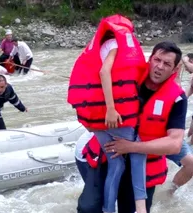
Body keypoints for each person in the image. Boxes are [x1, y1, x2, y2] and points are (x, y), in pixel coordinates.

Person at [76, 41, 187, 213]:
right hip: (108, 153)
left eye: (167, 64)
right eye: (157, 60)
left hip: (144, 164)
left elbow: (175, 144)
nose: (159, 67)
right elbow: (96, 80)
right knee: (88, 207)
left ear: (174, 70)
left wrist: (131, 147)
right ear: (149, 60)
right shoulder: (127, 76)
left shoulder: (177, 98)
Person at [68, 14, 148, 213]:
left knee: (116, 165)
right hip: (116, 117)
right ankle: (138, 208)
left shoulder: (100, 46)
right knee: (137, 154)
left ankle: (108, 210)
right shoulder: (114, 44)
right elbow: (104, 72)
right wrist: (111, 109)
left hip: (96, 116)